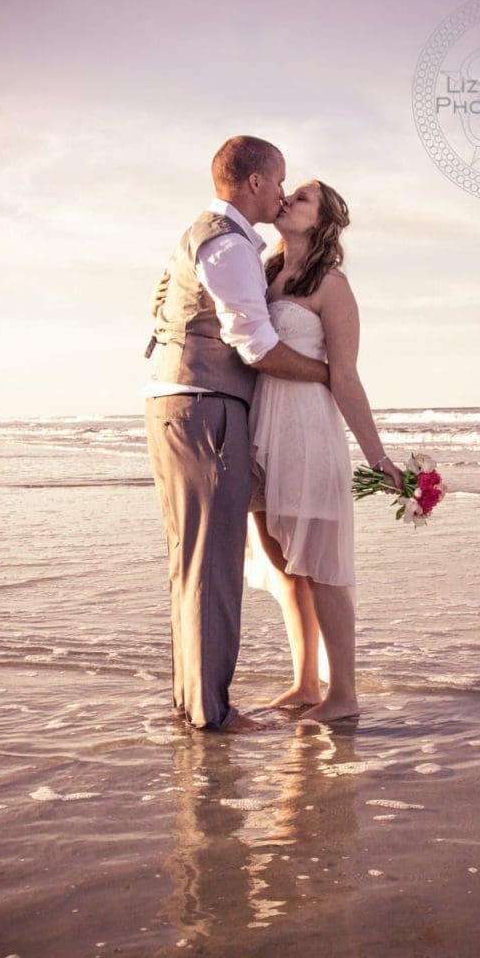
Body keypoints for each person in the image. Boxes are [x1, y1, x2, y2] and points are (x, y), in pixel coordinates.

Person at [144, 136, 330, 732]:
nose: (281, 192)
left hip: (181, 403)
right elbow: (255, 345)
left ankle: (191, 702)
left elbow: (159, 311)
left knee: (192, 560)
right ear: (255, 182)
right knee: (213, 564)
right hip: (207, 410)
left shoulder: (199, 235)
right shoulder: (228, 245)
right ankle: (212, 714)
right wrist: (326, 375)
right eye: (279, 182)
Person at [247, 180, 402, 723]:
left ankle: (344, 694)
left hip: (307, 433)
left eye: (303, 199)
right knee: (284, 565)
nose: (287, 200)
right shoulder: (261, 275)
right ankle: (305, 682)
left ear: (323, 220)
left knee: (323, 566)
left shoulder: (331, 286)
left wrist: (378, 457)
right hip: (259, 430)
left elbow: (346, 377)